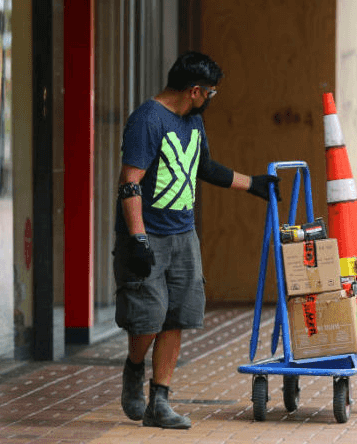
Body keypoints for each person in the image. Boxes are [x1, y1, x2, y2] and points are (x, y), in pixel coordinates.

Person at [113, 51, 278, 429]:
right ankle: (134, 368)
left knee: (177, 316)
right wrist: (137, 239)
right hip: (148, 234)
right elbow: (129, 181)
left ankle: (160, 401)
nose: (211, 101)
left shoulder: (194, 122)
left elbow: (203, 166)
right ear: (194, 90)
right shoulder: (147, 120)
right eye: (211, 94)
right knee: (147, 319)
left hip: (183, 235)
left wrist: (253, 184)